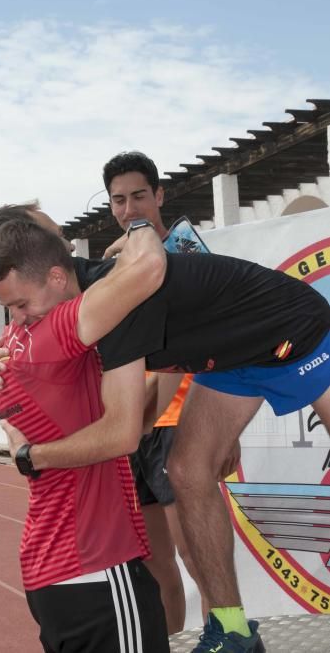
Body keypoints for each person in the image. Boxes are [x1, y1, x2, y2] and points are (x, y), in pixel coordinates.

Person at [0, 204, 330, 653]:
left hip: (298, 330)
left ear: (57, 277)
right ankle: (232, 626)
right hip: (233, 362)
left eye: (21, 307)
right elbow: (162, 368)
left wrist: (34, 455)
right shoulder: (79, 302)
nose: (19, 320)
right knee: (186, 468)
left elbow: (124, 431)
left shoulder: (115, 296)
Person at [0, 216, 170, 652]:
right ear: (56, 272)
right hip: (95, 568)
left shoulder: (7, 350)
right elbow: (146, 271)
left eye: (20, 304)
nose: (19, 317)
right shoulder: (54, 331)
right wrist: (140, 224)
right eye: (14, 307)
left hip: (52, 574)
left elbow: (126, 414)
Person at [102, 151, 212, 628]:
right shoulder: (112, 268)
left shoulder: (187, 254)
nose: (130, 210)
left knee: (197, 556)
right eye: (119, 200)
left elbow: (212, 344)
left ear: (160, 196)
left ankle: (224, 637)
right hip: (131, 428)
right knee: (153, 564)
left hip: (178, 423)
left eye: (139, 196)